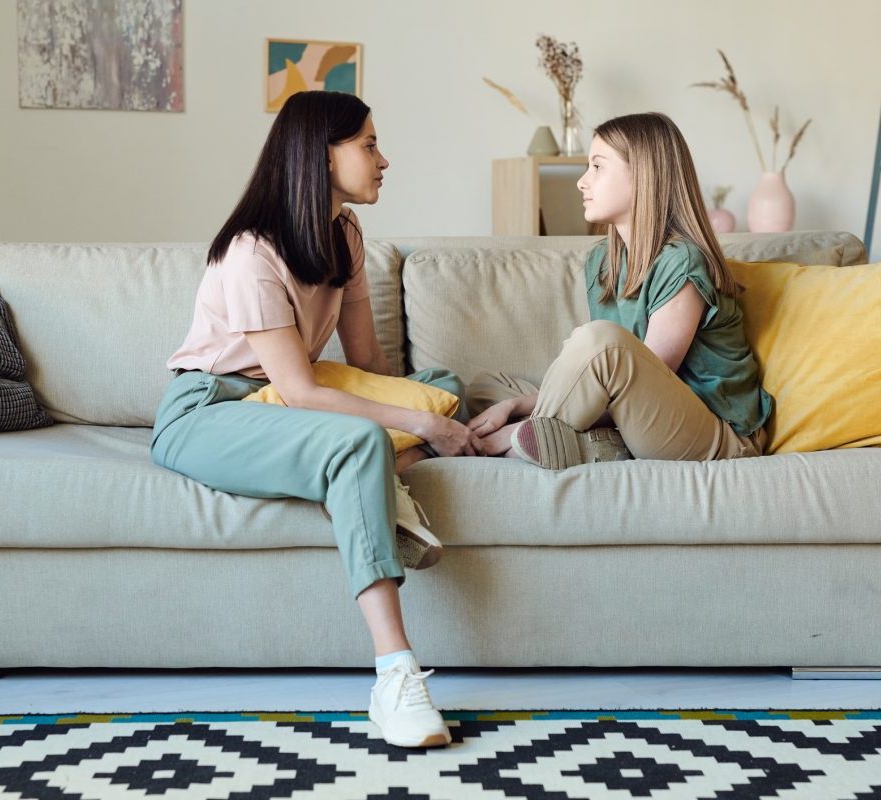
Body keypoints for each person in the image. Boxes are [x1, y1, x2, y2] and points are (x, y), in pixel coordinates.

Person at [151, 91, 482, 748]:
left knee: (440, 388)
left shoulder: (345, 233)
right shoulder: (252, 252)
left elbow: (367, 363)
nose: (383, 160)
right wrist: (417, 428)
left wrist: (427, 409)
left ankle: (387, 474)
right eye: (367, 145)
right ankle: (395, 674)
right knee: (363, 440)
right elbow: (299, 389)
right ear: (321, 155)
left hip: (287, 399)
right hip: (212, 410)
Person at [468, 112, 773, 468]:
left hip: (718, 434)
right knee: (485, 389)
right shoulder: (604, 260)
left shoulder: (683, 261)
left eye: (598, 167)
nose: (582, 182)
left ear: (644, 176)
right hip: (641, 420)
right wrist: (514, 403)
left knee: (598, 342)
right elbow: (613, 387)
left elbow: (646, 379)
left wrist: (520, 419)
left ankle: (534, 434)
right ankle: (588, 444)